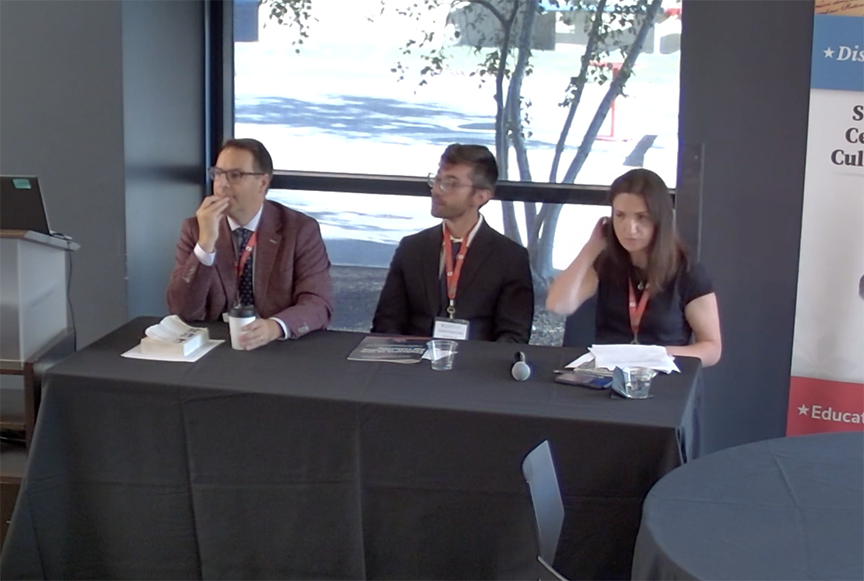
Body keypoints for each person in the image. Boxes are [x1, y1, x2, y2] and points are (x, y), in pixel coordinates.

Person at [167, 138, 333, 350]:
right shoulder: (196, 228)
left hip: (278, 346)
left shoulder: (299, 230)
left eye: (235, 175)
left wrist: (275, 327)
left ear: (262, 182)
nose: (222, 184)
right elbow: (182, 311)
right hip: (216, 346)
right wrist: (205, 246)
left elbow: (318, 303)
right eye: (218, 173)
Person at [546, 168, 721, 366]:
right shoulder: (606, 263)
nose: (629, 228)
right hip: (609, 377)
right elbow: (557, 305)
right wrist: (590, 249)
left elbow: (712, 348)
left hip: (662, 377)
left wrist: (653, 355)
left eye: (641, 217)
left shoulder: (687, 273)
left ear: (659, 220)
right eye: (620, 216)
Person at [372, 144, 534, 343]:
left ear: (480, 197)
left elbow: (513, 336)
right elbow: (386, 323)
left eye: (451, 183)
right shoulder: (411, 248)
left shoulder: (510, 257)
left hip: (475, 367)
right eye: (438, 180)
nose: (437, 191)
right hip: (411, 364)